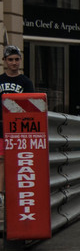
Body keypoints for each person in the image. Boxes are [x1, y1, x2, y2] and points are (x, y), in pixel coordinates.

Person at [0, 45, 35, 205]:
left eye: (16, 59)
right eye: (10, 60)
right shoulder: (0, 81)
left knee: (18, 161)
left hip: (19, 130)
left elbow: (31, 107)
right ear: (5, 61)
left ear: (20, 60)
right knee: (1, 160)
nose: (13, 63)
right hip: (1, 128)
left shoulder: (26, 82)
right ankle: (1, 194)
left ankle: (16, 195)